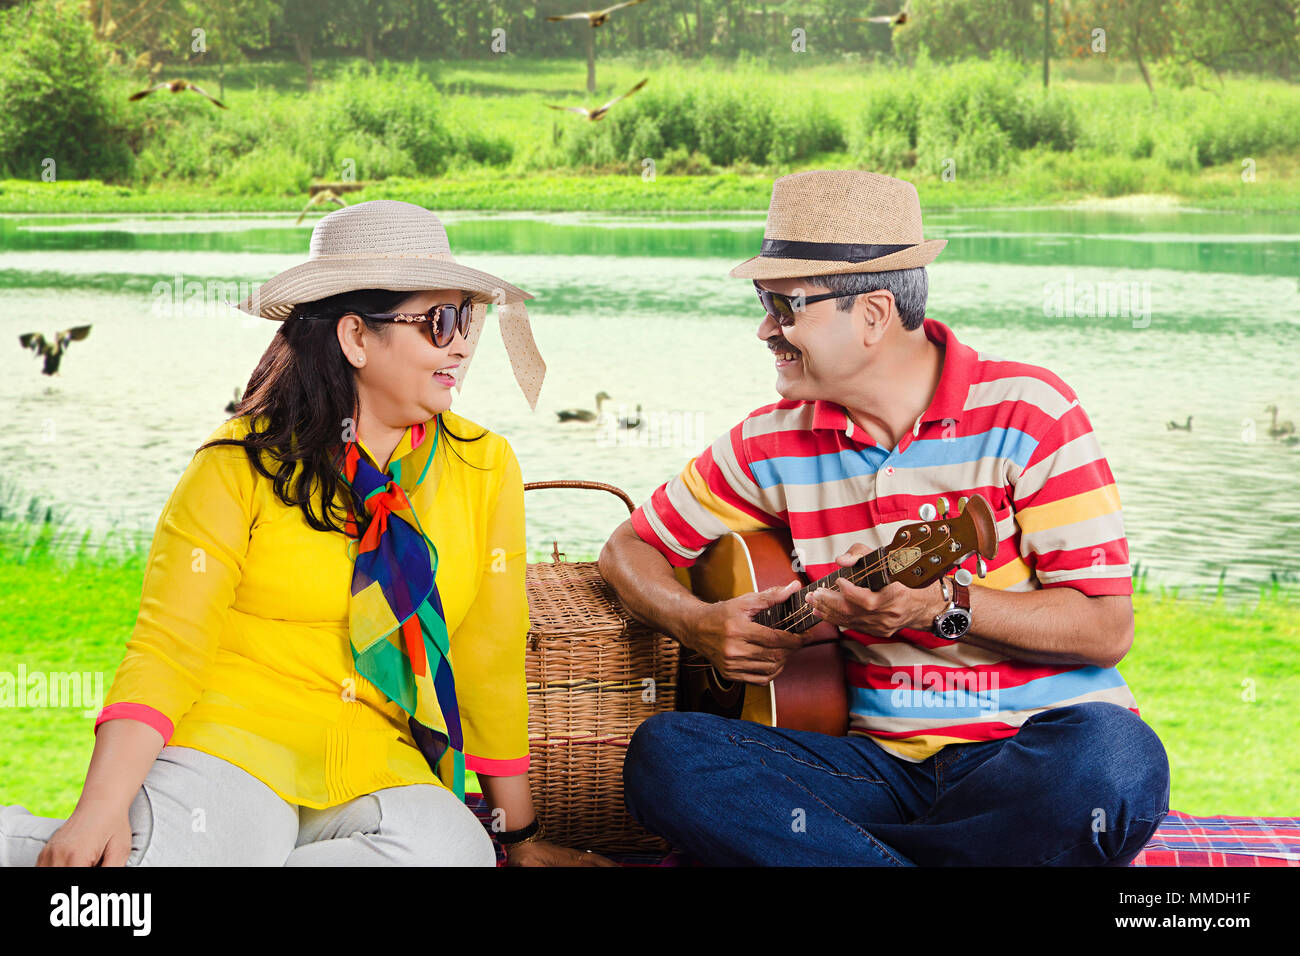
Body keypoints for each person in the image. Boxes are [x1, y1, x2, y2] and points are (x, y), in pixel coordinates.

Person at [0, 200, 613, 867]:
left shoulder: (482, 465)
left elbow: (487, 658)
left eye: (468, 317)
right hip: (234, 740)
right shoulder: (238, 461)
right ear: (355, 338)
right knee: (180, 852)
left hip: (376, 758)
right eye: (440, 321)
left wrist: (517, 841)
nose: (463, 343)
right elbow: (168, 645)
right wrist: (99, 809)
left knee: (455, 853)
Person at [598, 170, 1171, 866]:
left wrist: (946, 605)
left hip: (1032, 761)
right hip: (875, 774)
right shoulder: (767, 443)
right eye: (763, 302)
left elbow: (1106, 629)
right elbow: (628, 549)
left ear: (871, 314)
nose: (764, 328)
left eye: (783, 304)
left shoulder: (1030, 412)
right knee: (669, 756)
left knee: (1116, 758)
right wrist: (697, 624)